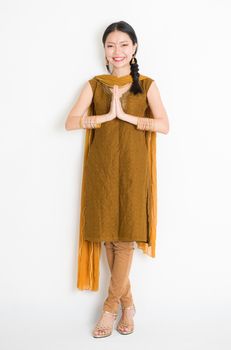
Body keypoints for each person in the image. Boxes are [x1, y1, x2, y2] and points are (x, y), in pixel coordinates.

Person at [65, 20, 169, 338]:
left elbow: (164, 125)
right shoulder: (95, 84)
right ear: (104, 50)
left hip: (134, 172)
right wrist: (104, 117)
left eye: (124, 44)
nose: (117, 51)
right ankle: (129, 305)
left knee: (124, 238)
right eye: (111, 45)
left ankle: (110, 308)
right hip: (103, 170)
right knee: (109, 236)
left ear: (134, 48)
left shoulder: (147, 84)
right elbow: (71, 122)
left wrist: (128, 117)